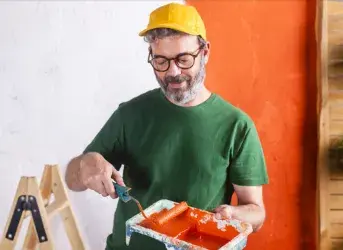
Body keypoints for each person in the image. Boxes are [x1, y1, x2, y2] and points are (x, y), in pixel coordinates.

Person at [65, 2, 269, 250]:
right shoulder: (130, 114)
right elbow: (72, 180)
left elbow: (256, 214)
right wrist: (85, 165)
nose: (172, 72)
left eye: (183, 59)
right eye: (161, 61)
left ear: (205, 52)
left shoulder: (236, 125)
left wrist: (233, 215)